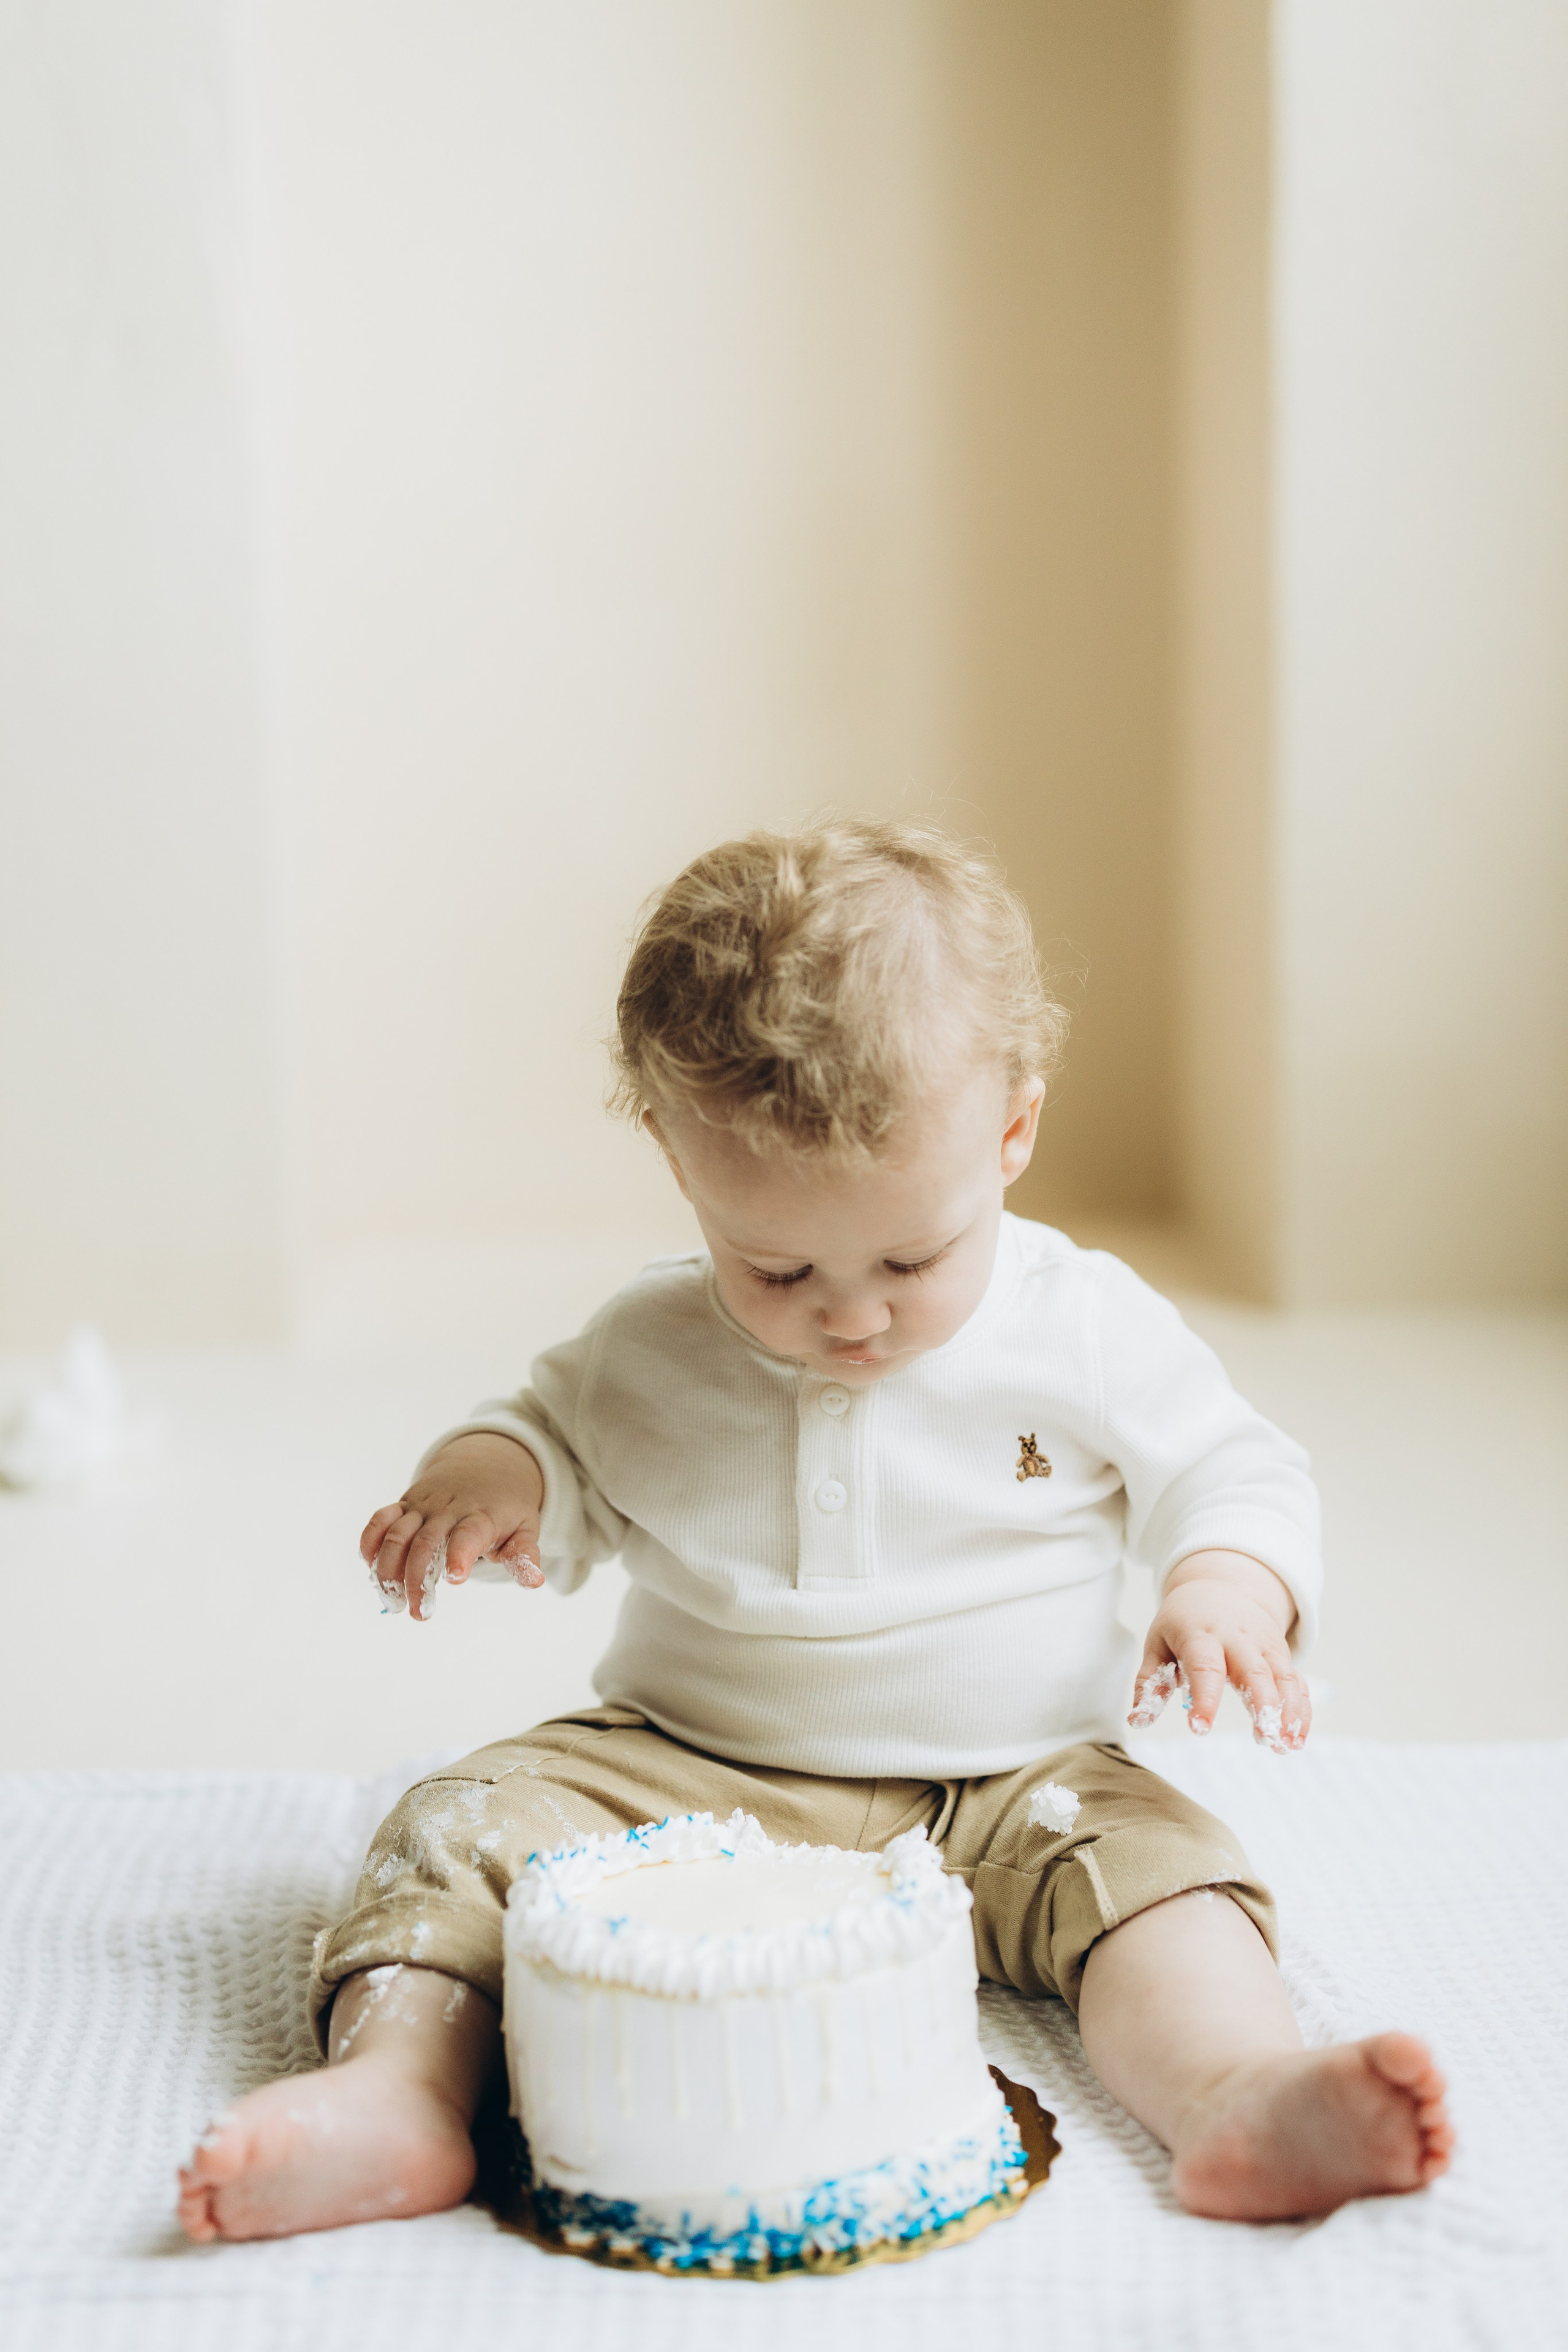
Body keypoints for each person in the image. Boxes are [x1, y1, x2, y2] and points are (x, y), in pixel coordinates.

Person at [178, 817, 1453, 2244]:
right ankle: (399, 2092)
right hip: (690, 1770)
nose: (849, 1316)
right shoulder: (649, 1343)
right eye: (774, 1265)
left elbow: (1234, 1468)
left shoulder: (1077, 1326)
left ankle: (1231, 2091)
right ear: (677, 1160)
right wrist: (486, 1480)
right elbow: (545, 1433)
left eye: (912, 1258)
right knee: (455, 1824)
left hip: (1016, 1785)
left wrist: (1226, 1581)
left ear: (1014, 1129)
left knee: (1164, 1876)